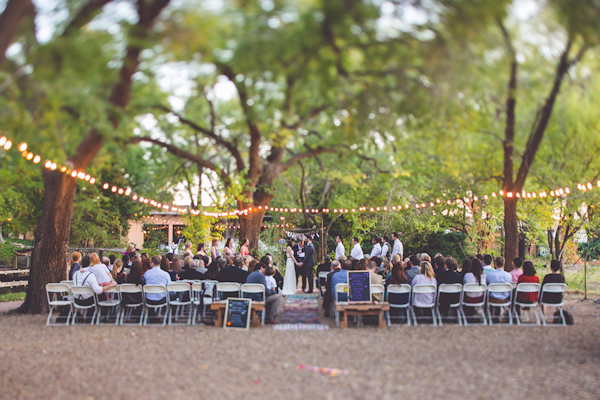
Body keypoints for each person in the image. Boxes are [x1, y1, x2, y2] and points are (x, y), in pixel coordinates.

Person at [486, 256, 512, 320]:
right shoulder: (508, 275)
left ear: (495, 263)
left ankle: (489, 315)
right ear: (503, 264)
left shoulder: (490, 275)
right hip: (505, 299)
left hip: (493, 299)